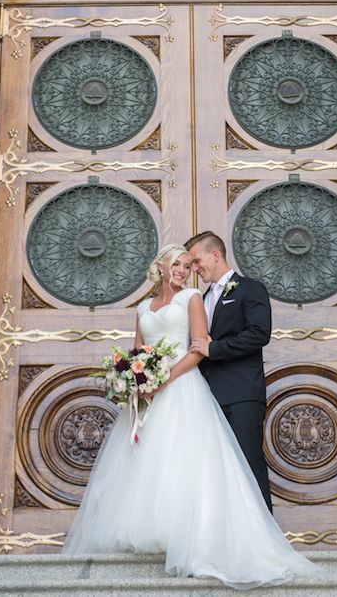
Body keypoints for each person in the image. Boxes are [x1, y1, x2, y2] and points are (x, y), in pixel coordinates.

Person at [62, 244, 318, 587]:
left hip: (182, 389)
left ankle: (204, 538)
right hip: (150, 396)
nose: (185, 270)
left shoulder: (192, 299)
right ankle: (153, 532)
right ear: (162, 267)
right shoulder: (142, 307)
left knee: (186, 460)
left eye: (189, 263)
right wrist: (134, 377)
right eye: (179, 264)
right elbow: (139, 350)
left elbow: (199, 347)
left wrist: (162, 379)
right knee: (147, 460)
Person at [185, 231, 272, 510]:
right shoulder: (201, 297)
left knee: (247, 463)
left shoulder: (249, 288)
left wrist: (216, 349)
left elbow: (259, 333)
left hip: (241, 394)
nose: (194, 270)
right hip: (207, 396)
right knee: (214, 471)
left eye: (197, 262)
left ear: (215, 255)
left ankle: (264, 538)